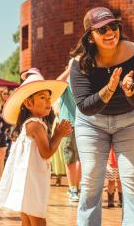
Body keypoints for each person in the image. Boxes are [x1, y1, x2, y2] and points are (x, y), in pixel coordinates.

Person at [69, 7, 134, 225]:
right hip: (92, 123)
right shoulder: (79, 62)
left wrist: (131, 90)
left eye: (113, 26)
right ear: (90, 36)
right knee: (91, 179)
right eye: (102, 29)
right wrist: (109, 89)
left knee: (133, 179)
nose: (109, 32)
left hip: (132, 120)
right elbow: (85, 106)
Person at [0, 72, 72, 225]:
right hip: (32, 180)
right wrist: (58, 134)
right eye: (42, 98)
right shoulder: (36, 124)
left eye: (49, 98)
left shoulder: (28, 123)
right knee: (38, 220)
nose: (48, 101)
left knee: (27, 219)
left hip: (25, 179)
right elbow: (46, 152)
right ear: (29, 103)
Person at [53, 59, 81, 202]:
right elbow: (56, 85)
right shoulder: (71, 81)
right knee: (76, 158)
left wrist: (70, 69)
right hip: (73, 123)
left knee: (73, 158)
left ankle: (74, 189)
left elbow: (56, 84)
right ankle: (75, 188)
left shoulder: (71, 80)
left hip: (72, 123)